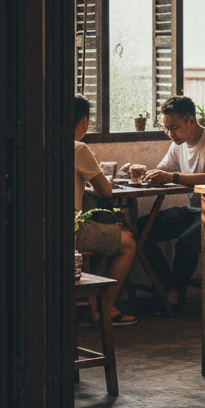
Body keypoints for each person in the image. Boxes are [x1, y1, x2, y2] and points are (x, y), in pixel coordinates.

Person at [124, 95, 205, 310]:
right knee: (142, 228)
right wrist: (139, 170)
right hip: (193, 210)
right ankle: (169, 288)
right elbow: (161, 171)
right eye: (166, 129)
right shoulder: (177, 144)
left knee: (185, 242)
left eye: (175, 128)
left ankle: (171, 293)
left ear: (191, 121)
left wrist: (173, 178)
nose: (171, 134)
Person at [73, 96, 139, 326]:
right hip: (71, 231)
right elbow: (107, 191)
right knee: (128, 241)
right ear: (83, 121)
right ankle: (105, 309)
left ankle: (91, 302)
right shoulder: (78, 148)